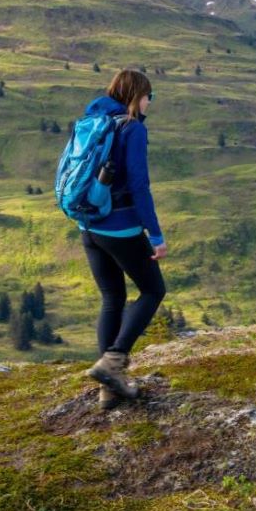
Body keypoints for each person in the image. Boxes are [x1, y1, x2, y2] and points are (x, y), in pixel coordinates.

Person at [77, 69, 168, 407]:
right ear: (136, 95)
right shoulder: (132, 129)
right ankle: (114, 361)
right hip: (120, 226)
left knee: (112, 297)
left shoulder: (95, 122)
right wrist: (155, 235)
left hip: (89, 225)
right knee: (153, 290)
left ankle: (109, 388)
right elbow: (139, 186)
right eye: (149, 97)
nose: (149, 103)